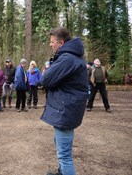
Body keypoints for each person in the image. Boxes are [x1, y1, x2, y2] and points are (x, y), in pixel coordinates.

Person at [40, 27, 88, 175]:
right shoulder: (72, 57)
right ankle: (62, 172)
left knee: (65, 155)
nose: (50, 44)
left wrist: (46, 73)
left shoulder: (67, 58)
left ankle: (65, 171)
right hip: (66, 108)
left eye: (52, 42)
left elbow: (45, 80)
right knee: (61, 146)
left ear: (61, 43)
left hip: (65, 110)